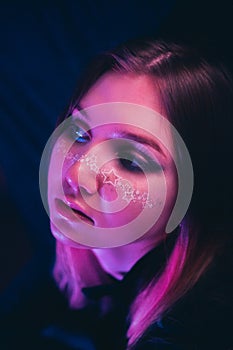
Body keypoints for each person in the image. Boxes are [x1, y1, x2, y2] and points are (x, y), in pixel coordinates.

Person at [2, 38, 233, 350]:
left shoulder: (193, 326)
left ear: (193, 194)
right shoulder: (72, 243)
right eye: (80, 134)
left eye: (129, 161)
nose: (76, 174)